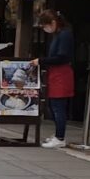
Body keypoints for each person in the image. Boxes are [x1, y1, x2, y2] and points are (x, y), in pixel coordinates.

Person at [33, 9, 74, 149]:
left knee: (58, 107)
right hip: (55, 73)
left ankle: (60, 137)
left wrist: (41, 61)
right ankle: (58, 134)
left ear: (53, 22)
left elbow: (62, 57)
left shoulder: (65, 35)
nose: (45, 29)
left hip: (61, 73)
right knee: (54, 105)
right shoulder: (59, 35)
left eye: (45, 26)